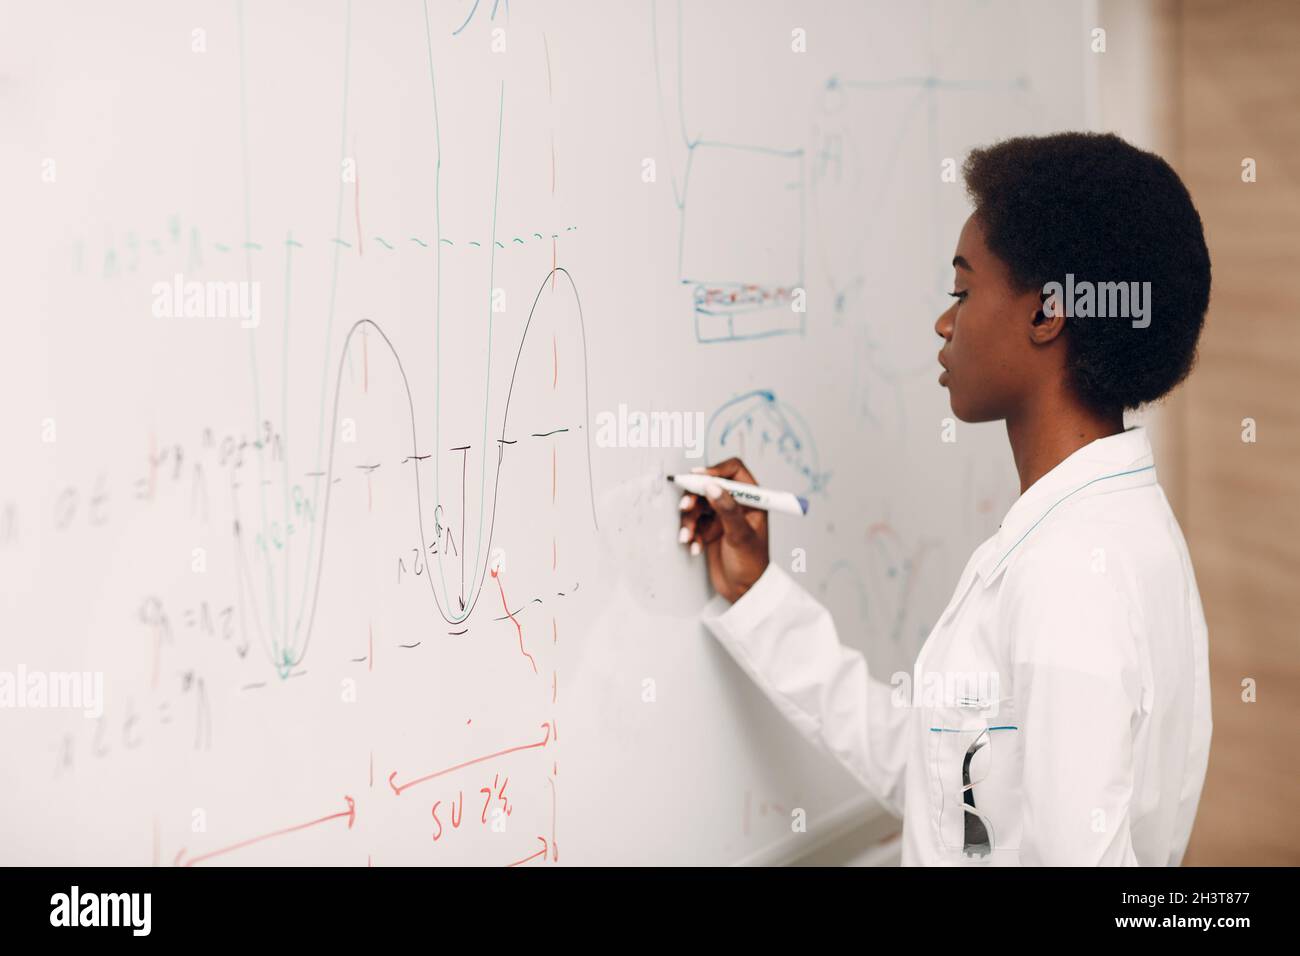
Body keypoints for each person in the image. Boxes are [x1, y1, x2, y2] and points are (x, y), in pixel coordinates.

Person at [677, 132, 1213, 866]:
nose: (944, 321)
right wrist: (760, 598)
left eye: (962, 290)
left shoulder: (1070, 573)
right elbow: (943, 779)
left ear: (1047, 313)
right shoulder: (1113, 530)